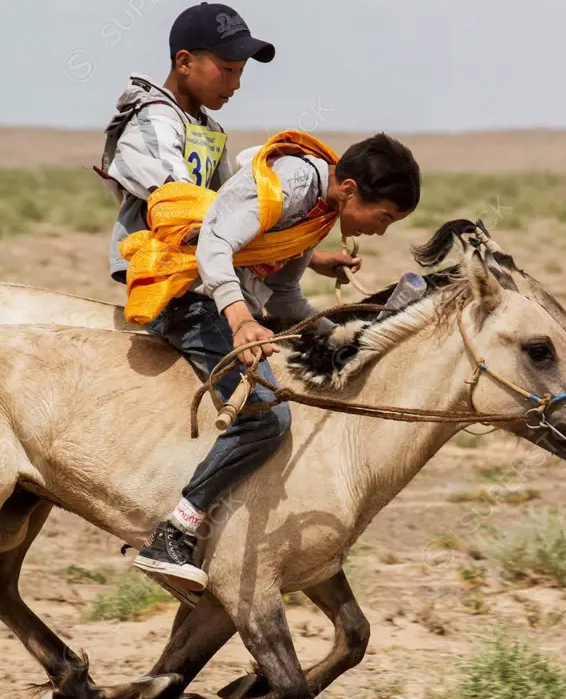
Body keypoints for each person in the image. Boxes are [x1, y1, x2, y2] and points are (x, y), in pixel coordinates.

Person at [125, 129, 421, 591]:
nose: (380, 230)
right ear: (350, 190)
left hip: (219, 302)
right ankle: (174, 532)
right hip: (189, 296)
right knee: (267, 417)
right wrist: (242, 319)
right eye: (381, 217)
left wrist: (345, 337)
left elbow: (283, 297)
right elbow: (214, 246)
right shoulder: (291, 185)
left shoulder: (321, 211)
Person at [99, 1, 361, 287]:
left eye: (241, 70)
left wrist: (310, 256)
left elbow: (229, 206)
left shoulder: (208, 129)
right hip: (160, 270)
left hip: (199, 263)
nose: (236, 84)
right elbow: (182, 205)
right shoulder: (151, 121)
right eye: (227, 70)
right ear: (184, 63)